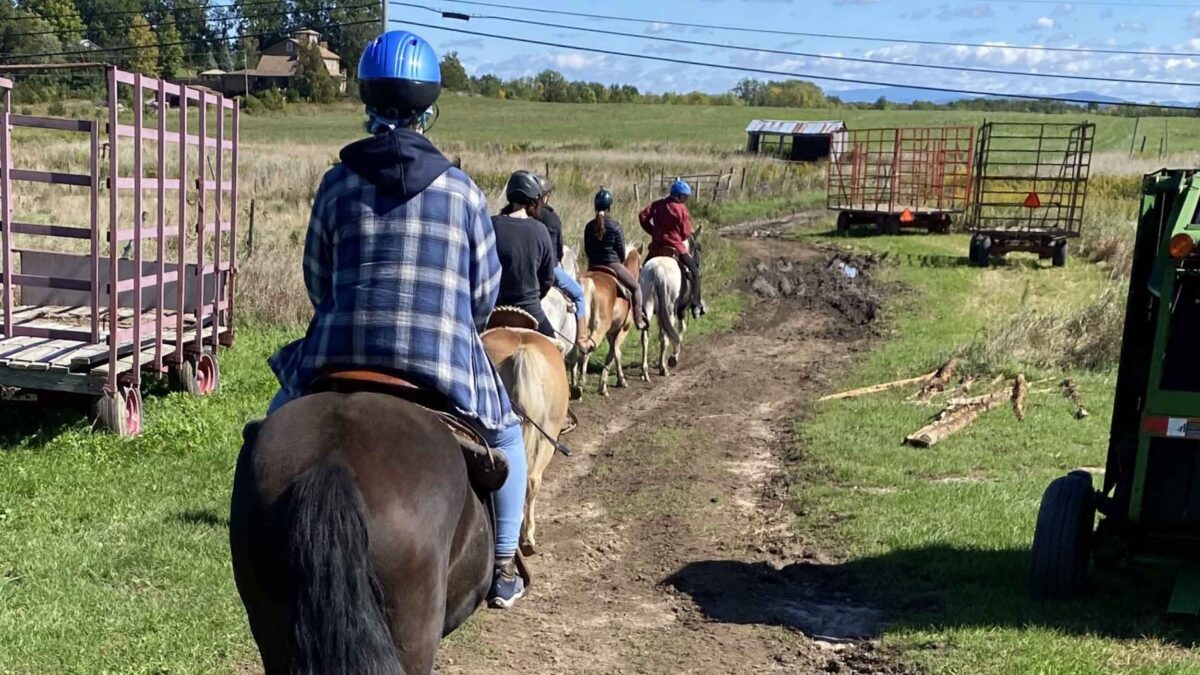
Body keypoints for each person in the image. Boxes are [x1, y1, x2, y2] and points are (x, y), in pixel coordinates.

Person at [264, 30, 528, 609]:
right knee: (507, 431)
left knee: (273, 428)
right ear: (428, 107)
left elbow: (317, 280)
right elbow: (482, 297)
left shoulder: (335, 185)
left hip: (337, 355)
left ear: (366, 101)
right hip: (437, 363)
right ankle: (505, 563)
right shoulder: (462, 194)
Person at [493, 170, 558, 340]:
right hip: (530, 308)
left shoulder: (491, 224)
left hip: (493, 307)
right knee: (556, 349)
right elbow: (547, 278)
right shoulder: (540, 230)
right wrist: (534, 297)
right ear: (534, 199)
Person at [535, 176, 593, 351]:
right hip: (549, 270)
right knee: (578, 295)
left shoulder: (520, 214)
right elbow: (559, 251)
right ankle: (582, 338)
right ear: (545, 196)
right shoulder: (552, 217)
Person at [639, 178, 706, 318]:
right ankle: (695, 304)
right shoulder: (682, 209)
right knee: (695, 272)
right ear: (679, 195)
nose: (686, 199)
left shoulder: (657, 205)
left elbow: (643, 215)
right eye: (685, 196)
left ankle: (637, 306)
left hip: (656, 248)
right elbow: (686, 233)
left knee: (641, 274)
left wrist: (653, 231)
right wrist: (676, 236)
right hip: (676, 248)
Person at [583, 188, 647, 329]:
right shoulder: (615, 226)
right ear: (610, 207)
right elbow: (621, 252)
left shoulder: (589, 226)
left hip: (593, 265)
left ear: (595, 206)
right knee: (636, 288)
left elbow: (587, 249)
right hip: (612, 264)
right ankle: (639, 320)